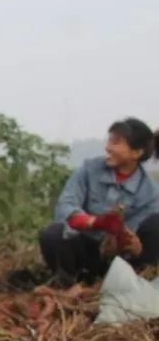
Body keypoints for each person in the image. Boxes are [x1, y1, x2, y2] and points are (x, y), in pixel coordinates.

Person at [39, 118, 159, 284]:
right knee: (53, 233)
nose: (108, 148)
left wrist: (133, 246)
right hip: (84, 249)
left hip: (121, 263)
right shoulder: (89, 169)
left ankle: (136, 285)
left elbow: (137, 234)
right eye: (109, 140)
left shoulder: (150, 192)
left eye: (116, 142)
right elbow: (65, 206)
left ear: (136, 152)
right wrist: (95, 222)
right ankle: (67, 284)